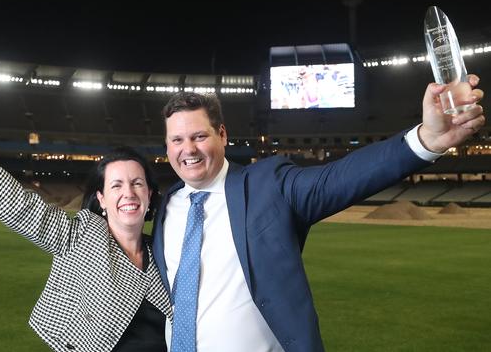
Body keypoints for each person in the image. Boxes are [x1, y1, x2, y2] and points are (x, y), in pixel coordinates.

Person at [152, 76, 485, 352]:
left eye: (199, 136)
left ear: (222, 134)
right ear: (167, 146)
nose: (188, 150)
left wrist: (427, 139)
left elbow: (337, 180)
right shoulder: (169, 205)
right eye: (177, 140)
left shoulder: (269, 184)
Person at [0, 92, 171, 352]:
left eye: (138, 183)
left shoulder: (163, 252)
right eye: (116, 185)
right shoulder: (82, 236)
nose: (129, 193)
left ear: (149, 194)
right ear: (101, 199)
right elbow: (18, 205)